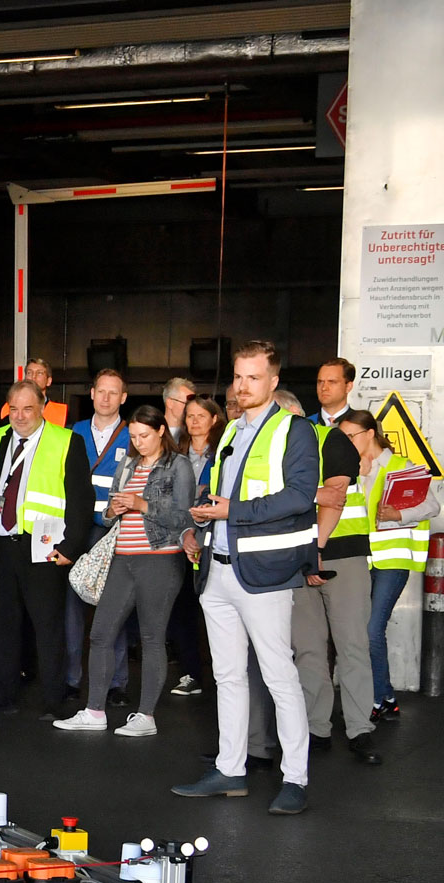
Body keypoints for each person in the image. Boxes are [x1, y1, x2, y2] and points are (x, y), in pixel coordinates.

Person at [172, 340, 319, 815]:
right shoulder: (232, 427)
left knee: (280, 677)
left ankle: (295, 778)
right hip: (216, 571)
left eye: (253, 377)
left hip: (265, 574)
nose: (243, 385)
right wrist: (198, 525)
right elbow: (216, 491)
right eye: (238, 376)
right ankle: (230, 769)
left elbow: (300, 497)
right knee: (228, 676)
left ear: (274, 381)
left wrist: (233, 511)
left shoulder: (294, 431)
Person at [52, 404, 195, 736]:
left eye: (144, 435)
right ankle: (94, 711)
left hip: (160, 558)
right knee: (100, 633)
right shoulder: (128, 463)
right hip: (122, 556)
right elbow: (108, 515)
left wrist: (141, 504)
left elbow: (184, 517)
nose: (139, 442)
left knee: (151, 637)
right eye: (133, 436)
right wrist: (114, 509)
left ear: (161, 431)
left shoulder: (179, 466)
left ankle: (146, 716)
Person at [0, 380, 94, 718]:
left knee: (47, 626)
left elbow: (82, 500)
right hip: (0, 543)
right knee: (4, 625)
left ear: (42, 407)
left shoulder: (66, 441)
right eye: (14, 409)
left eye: (28, 408)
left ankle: (53, 700)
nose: (20, 416)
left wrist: (70, 547)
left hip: (44, 547)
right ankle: (1, 695)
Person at [292, 400, 386, 764]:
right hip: (299, 559)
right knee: (309, 648)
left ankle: (360, 728)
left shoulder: (332, 440)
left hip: (344, 556)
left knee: (352, 645)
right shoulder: (280, 454)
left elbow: (339, 497)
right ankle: (317, 728)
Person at [340, 408, 439, 721]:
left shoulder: (401, 466)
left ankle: (379, 697)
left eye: (350, 436)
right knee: (361, 631)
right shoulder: (349, 470)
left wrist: (399, 515)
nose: (345, 442)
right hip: (360, 560)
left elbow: (432, 505)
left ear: (370, 434)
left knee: (371, 630)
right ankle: (384, 697)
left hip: (391, 560)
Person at [66, 368, 132, 709]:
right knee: (73, 605)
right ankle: (71, 679)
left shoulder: (133, 435)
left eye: (113, 393)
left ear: (123, 398)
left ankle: (117, 682)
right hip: (77, 530)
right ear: (91, 393)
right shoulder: (73, 433)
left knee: (113, 608)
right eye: (101, 391)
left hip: (113, 531)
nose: (106, 398)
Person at [165, 394, 231, 697]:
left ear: (214, 419)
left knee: (216, 610)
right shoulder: (174, 453)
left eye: (200, 416)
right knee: (183, 608)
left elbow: (215, 498)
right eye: (189, 416)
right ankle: (191, 673)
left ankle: (223, 675)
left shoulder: (225, 453)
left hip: (212, 537)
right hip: (177, 537)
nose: (193, 421)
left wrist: (200, 497)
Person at [1, 356, 68, 426]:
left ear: (48, 381)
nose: (33, 377)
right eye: (29, 373)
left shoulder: (61, 412)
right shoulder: (8, 408)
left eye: (39, 373)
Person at [313, 358, 355, 428]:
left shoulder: (363, 426)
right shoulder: (305, 425)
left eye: (332, 382)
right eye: (320, 382)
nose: (324, 388)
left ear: (348, 387)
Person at [163, 377, 197, 448]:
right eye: (186, 403)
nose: (190, 408)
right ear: (170, 403)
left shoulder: (193, 433)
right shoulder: (152, 430)